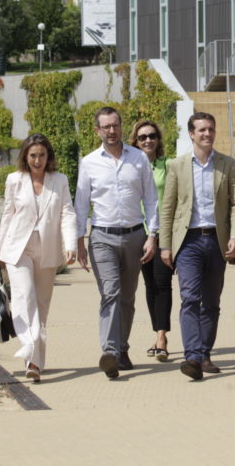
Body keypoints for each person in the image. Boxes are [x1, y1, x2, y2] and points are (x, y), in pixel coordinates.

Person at [159, 112, 235, 380]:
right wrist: (165, 245)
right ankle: (192, 356)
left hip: (217, 240)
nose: (207, 134)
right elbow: (168, 207)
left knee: (211, 301)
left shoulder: (228, 165)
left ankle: (205, 354)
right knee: (190, 298)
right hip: (188, 242)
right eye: (201, 130)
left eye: (210, 129)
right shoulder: (177, 165)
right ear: (191, 134)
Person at [75, 106, 159, 380]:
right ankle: (109, 352)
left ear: (122, 127)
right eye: (106, 127)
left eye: (115, 125)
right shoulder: (89, 162)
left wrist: (153, 235)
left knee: (127, 297)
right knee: (110, 293)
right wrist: (78, 241)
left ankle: (122, 349)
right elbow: (81, 204)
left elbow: (151, 199)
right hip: (102, 237)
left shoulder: (138, 159)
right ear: (97, 130)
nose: (111, 131)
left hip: (135, 236)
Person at [0, 134, 77, 382]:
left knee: (41, 307)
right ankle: (29, 347)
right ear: (25, 157)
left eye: (41, 155)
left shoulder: (59, 180)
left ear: (48, 156)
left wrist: (70, 244)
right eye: (32, 156)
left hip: (47, 249)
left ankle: (35, 363)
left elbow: (67, 212)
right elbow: (7, 215)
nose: (37, 160)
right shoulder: (14, 180)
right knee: (24, 296)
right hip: (18, 248)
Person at [130, 120, 173, 362]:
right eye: (142, 137)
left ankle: (161, 337)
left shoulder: (168, 165)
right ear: (135, 141)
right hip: (137, 233)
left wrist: (157, 235)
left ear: (158, 139)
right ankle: (158, 331)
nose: (148, 140)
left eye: (152, 136)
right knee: (150, 286)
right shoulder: (130, 166)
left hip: (163, 234)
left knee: (162, 283)